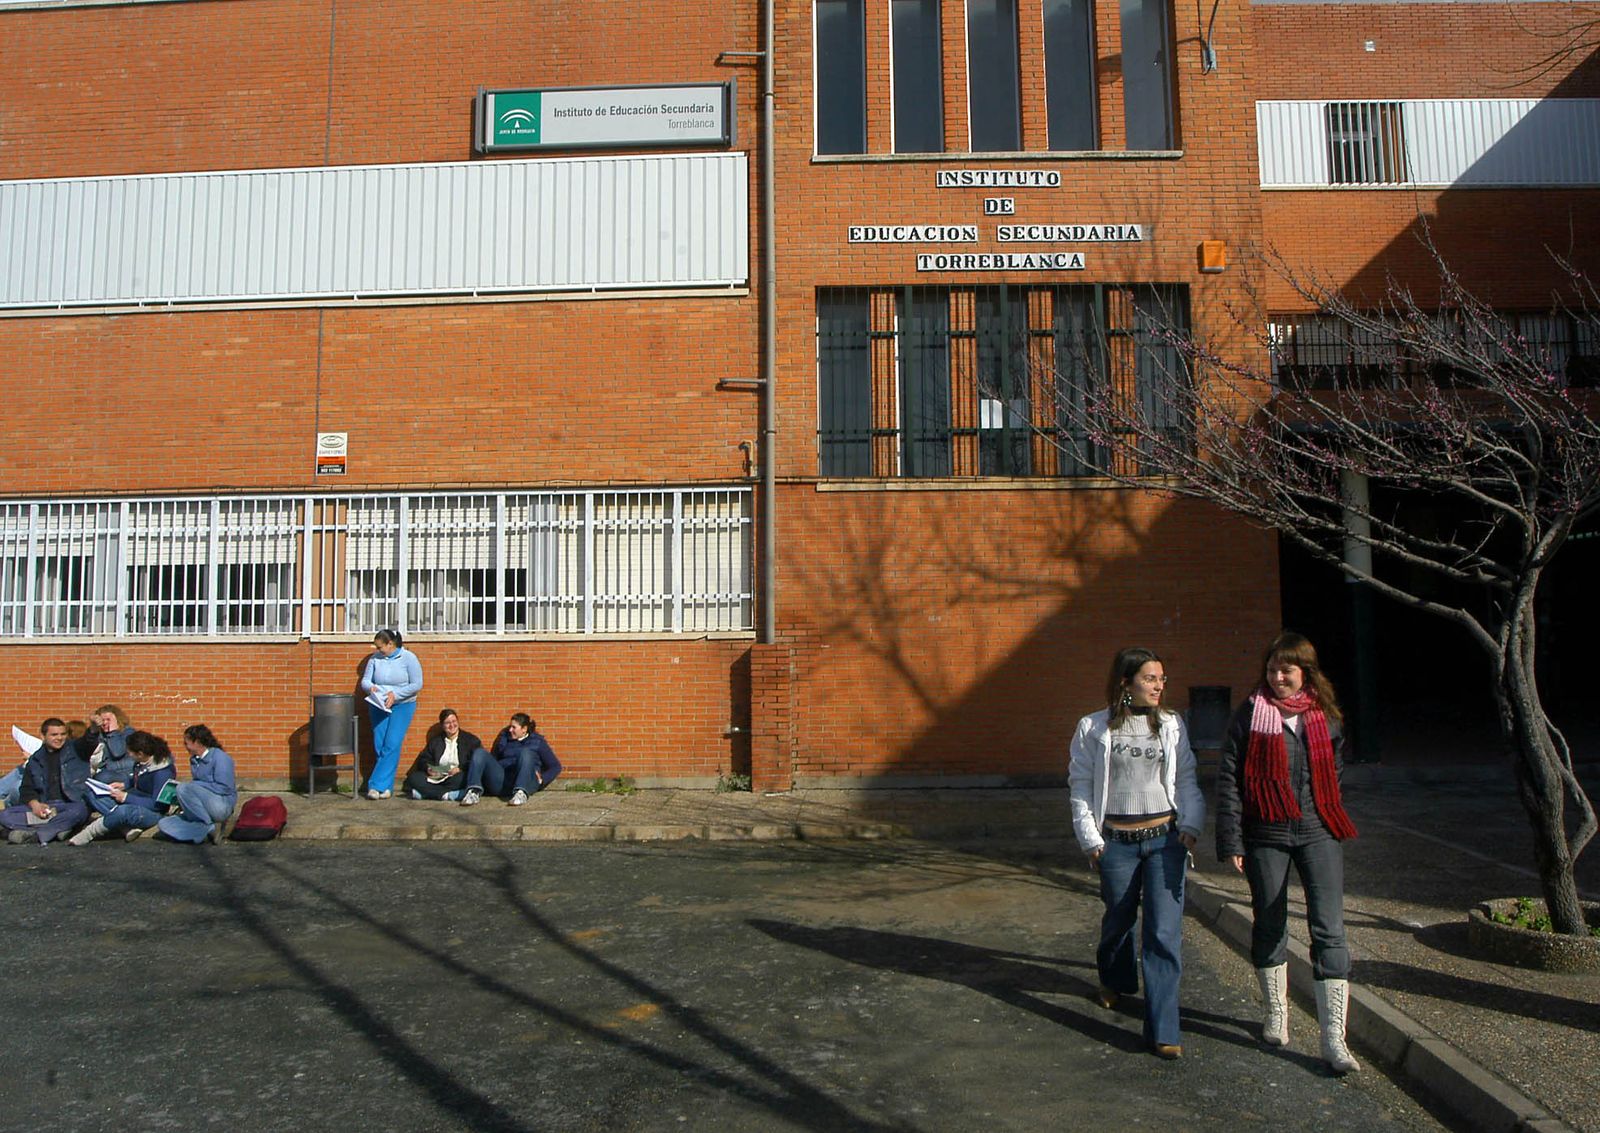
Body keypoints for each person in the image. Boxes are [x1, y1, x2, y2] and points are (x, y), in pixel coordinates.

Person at [1215, 631, 1362, 1074]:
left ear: (1305, 673)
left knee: (1329, 930)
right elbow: (1229, 781)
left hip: (1318, 832)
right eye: (1272, 669)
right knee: (1270, 923)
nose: (1278, 677)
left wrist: (1321, 813)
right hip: (1267, 835)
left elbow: (1335, 776)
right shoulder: (1249, 715)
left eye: (1287, 670)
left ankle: (1334, 1038)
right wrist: (1232, 841)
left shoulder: (1325, 717)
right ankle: (1276, 1013)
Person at [1068, 647, 1204, 1060]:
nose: (1159, 686)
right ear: (1125, 683)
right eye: (1150, 678)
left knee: (1163, 933)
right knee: (1119, 919)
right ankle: (1116, 979)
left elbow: (1186, 780)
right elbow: (1080, 786)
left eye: (1162, 678)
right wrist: (1092, 840)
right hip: (1117, 845)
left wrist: (1192, 826)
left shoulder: (1172, 725)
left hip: (1165, 841)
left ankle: (1164, 1029)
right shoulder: (1093, 728)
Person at [67, 730, 177, 845]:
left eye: (130, 752)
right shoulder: (141, 762)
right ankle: (125, 828)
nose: (128, 754)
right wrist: (125, 784)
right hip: (134, 799)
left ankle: (89, 833)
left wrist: (126, 797)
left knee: (123, 811)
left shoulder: (163, 772)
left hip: (152, 813)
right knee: (92, 794)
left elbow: (158, 804)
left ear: (140, 753)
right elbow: (138, 778)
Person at [0, 718, 90, 845]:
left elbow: (90, 741)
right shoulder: (35, 760)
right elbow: (26, 788)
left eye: (62, 734)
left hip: (68, 805)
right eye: (54, 735)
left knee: (80, 810)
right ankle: (59, 828)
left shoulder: (76, 751)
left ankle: (36, 833)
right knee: (5, 815)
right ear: (43, 736)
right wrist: (35, 804)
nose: (59, 738)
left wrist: (95, 728)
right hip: (44, 807)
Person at [360, 628, 423, 800]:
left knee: (392, 743)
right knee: (380, 744)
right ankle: (386, 787)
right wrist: (370, 687)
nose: (377, 650)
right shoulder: (375, 659)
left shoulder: (409, 658)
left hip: (402, 705)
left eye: (380, 647)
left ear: (391, 644)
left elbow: (417, 684)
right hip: (378, 704)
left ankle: (375, 785)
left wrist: (395, 695)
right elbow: (365, 680)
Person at [157, 724, 237, 844]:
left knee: (183, 788)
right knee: (164, 823)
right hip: (205, 808)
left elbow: (225, 787)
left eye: (187, 743)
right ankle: (208, 829)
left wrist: (195, 786)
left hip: (221, 805)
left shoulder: (221, 758)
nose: (185, 747)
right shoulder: (194, 760)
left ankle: (205, 827)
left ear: (198, 742)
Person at [461, 712, 561, 807]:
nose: (510, 730)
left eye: (514, 727)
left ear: (524, 729)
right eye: (510, 727)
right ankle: (473, 791)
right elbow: (493, 759)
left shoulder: (537, 742)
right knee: (480, 752)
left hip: (527, 781)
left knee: (525, 752)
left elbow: (555, 766)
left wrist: (542, 780)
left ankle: (520, 792)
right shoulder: (504, 739)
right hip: (504, 780)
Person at [403, 708, 486, 801]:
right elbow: (424, 758)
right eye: (447, 723)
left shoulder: (470, 740)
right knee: (414, 778)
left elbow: (475, 761)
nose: (451, 725)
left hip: (456, 776)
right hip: (437, 777)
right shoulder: (436, 741)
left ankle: (426, 794)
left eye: (454, 721)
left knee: (462, 779)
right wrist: (429, 768)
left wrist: (460, 768)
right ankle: (449, 795)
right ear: (442, 726)